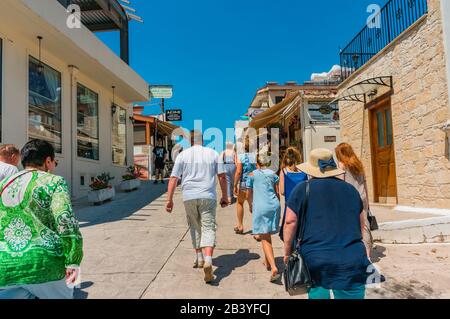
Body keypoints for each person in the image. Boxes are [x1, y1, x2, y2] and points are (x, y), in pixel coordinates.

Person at [283, 148, 372, 299]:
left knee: (318, 293)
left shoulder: (302, 189)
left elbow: (290, 221)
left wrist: (287, 252)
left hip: (316, 259)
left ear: (310, 170)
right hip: (351, 258)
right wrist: (365, 250)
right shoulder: (351, 190)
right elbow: (362, 224)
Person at [0, 139, 83, 299]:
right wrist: (73, 259)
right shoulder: (54, 182)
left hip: (5, 266)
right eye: (54, 162)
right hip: (45, 263)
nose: (53, 167)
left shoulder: (4, 184)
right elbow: (65, 221)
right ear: (47, 161)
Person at [165, 131, 229, 284]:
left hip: (189, 196)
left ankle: (199, 258)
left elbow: (174, 178)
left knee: (194, 226)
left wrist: (169, 199)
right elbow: (221, 176)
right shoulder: (213, 153)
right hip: (208, 196)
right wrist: (225, 196)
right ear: (203, 140)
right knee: (208, 227)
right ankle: (208, 259)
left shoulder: (182, 155)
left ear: (190, 141)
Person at [247, 153, 281, 283]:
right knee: (267, 234)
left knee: (264, 236)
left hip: (261, 206)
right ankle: (267, 262)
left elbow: (249, 193)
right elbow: (277, 193)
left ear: (257, 164)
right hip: (274, 205)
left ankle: (273, 267)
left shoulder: (252, 175)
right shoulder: (274, 174)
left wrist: (250, 205)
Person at [335, 143, 373, 258]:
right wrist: (367, 201)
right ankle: (367, 255)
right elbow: (365, 183)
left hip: (349, 198)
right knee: (364, 225)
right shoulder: (359, 164)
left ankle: (351, 252)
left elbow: (340, 185)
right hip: (362, 196)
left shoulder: (341, 165)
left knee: (349, 225)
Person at [278, 147, 307, 241]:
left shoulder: (284, 171)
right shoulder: (304, 171)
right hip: (303, 205)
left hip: (290, 205)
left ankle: (289, 253)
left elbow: (282, 191)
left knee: (289, 232)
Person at [233, 136, 257, 234]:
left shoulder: (240, 156)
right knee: (254, 206)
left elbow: (238, 172)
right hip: (254, 183)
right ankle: (258, 230)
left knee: (240, 203)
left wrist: (234, 185)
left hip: (243, 184)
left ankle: (240, 226)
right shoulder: (255, 156)